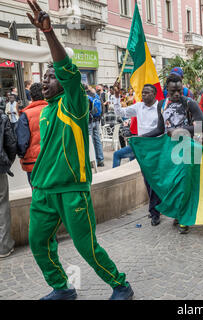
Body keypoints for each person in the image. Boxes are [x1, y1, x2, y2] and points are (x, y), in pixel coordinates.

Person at [25, 0, 133, 300]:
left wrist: (48, 33)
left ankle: (120, 285)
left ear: (64, 83)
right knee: (38, 243)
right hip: (44, 191)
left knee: (87, 246)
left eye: (50, 77)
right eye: (43, 77)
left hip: (73, 190)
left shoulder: (74, 104)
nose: (44, 82)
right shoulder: (46, 111)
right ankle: (62, 288)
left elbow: (67, 70)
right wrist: (36, 180)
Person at [142, 73, 203, 234]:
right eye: (173, 91)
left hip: (186, 149)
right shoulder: (162, 105)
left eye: (179, 90)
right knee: (172, 184)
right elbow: (160, 129)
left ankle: (184, 219)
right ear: (167, 90)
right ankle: (176, 213)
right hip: (167, 151)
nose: (177, 94)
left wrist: (180, 130)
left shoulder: (189, 103)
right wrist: (140, 138)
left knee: (184, 185)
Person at [112, 83, 162, 226]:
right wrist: (116, 98)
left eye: (147, 92)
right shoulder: (138, 107)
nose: (144, 95)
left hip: (156, 147)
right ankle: (156, 208)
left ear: (154, 94)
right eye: (143, 92)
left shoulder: (160, 108)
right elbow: (120, 112)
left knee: (155, 180)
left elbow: (162, 128)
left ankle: (155, 212)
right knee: (147, 180)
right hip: (142, 149)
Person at [16, 82, 48, 187]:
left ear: (31, 96)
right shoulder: (54, 110)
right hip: (53, 160)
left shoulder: (26, 115)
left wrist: (22, 155)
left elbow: (22, 142)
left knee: (37, 194)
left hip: (33, 162)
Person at [0, 100, 16, 259]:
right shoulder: (2, 117)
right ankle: (3, 246)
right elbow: (11, 143)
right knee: (2, 204)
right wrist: (7, 162)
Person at [86, 86, 104, 167]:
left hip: (89, 121)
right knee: (97, 140)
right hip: (97, 120)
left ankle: (93, 161)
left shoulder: (85, 96)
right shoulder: (95, 95)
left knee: (90, 141)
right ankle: (100, 160)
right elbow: (102, 107)